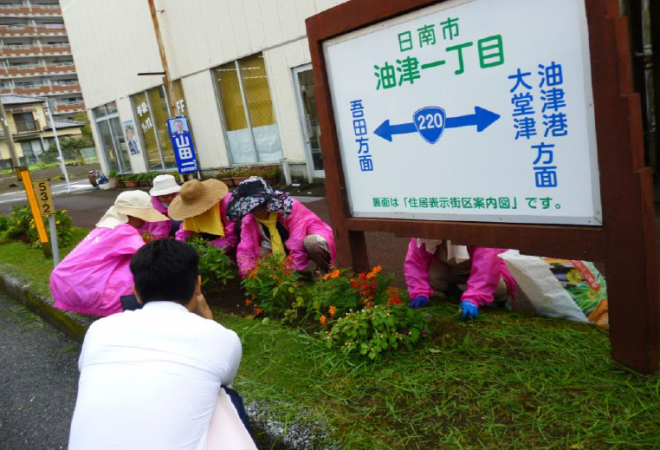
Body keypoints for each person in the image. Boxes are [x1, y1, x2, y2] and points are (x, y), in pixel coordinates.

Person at [67, 240, 256, 450]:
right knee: (225, 396)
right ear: (197, 285)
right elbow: (224, 378)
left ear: (136, 292)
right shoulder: (222, 338)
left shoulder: (98, 330)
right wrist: (208, 323)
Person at [50, 191, 168, 317]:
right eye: (143, 215)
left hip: (64, 283)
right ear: (130, 214)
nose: (145, 220)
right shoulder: (124, 231)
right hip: (85, 290)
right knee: (147, 272)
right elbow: (148, 257)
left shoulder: (104, 228)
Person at [228, 176, 336, 278]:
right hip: (281, 244)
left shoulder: (289, 207)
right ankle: (276, 278)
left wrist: (287, 272)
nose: (255, 211)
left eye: (258, 205)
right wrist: (248, 272)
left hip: (306, 239)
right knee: (261, 253)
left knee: (312, 243)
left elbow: (297, 242)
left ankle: (325, 272)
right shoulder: (249, 219)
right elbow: (245, 247)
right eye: (251, 208)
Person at [404, 238, 516, 320]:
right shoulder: (427, 230)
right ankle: (453, 293)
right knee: (431, 275)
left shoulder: (479, 229)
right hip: (451, 266)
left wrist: (473, 299)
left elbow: (486, 265)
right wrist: (419, 292)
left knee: (496, 287)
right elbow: (416, 260)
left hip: (490, 268)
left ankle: (501, 301)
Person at [169, 178, 237, 251]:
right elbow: (185, 230)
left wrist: (210, 248)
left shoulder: (227, 204)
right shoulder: (190, 211)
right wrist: (180, 246)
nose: (194, 214)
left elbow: (231, 236)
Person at [139, 174, 182, 240]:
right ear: (157, 195)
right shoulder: (153, 209)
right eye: (165, 195)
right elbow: (159, 233)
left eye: (173, 194)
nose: (170, 198)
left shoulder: (180, 197)